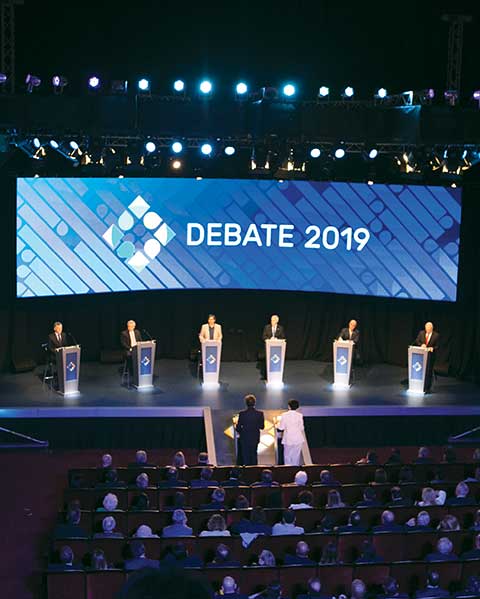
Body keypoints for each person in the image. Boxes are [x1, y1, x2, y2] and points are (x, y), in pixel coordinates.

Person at [235, 394, 265, 466]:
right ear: (255, 403)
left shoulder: (242, 414)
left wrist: (242, 432)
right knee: (254, 454)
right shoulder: (260, 414)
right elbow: (262, 427)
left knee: (246, 456)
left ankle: (247, 471)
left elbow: (238, 427)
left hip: (244, 438)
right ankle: (254, 470)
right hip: (255, 437)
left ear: (246, 403)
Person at [277, 399, 305, 466]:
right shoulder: (300, 415)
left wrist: (277, 425)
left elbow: (281, 427)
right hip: (298, 439)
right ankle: (295, 470)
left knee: (287, 457)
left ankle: (288, 471)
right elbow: (302, 428)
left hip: (288, 439)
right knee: (296, 457)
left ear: (289, 406)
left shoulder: (284, 415)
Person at [414, 322, 439, 393]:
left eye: (429, 329)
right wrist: (421, 345)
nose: (427, 330)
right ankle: (420, 386)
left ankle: (428, 388)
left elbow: (438, 346)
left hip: (430, 356)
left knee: (429, 372)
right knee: (421, 371)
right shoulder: (421, 333)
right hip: (421, 356)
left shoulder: (436, 335)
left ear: (432, 328)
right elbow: (417, 341)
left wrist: (432, 348)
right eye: (426, 328)